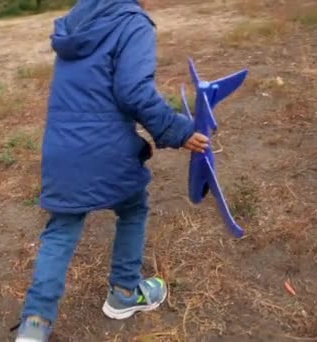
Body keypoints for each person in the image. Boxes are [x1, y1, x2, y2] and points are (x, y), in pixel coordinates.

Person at [14, 0, 209, 341]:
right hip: (106, 149)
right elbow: (134, 91)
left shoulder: (75, 22)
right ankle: (123, 292)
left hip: (61, 148)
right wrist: (177, 130)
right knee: (133, 208)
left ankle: (33, 329)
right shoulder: (132, 23)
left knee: (60, 231)